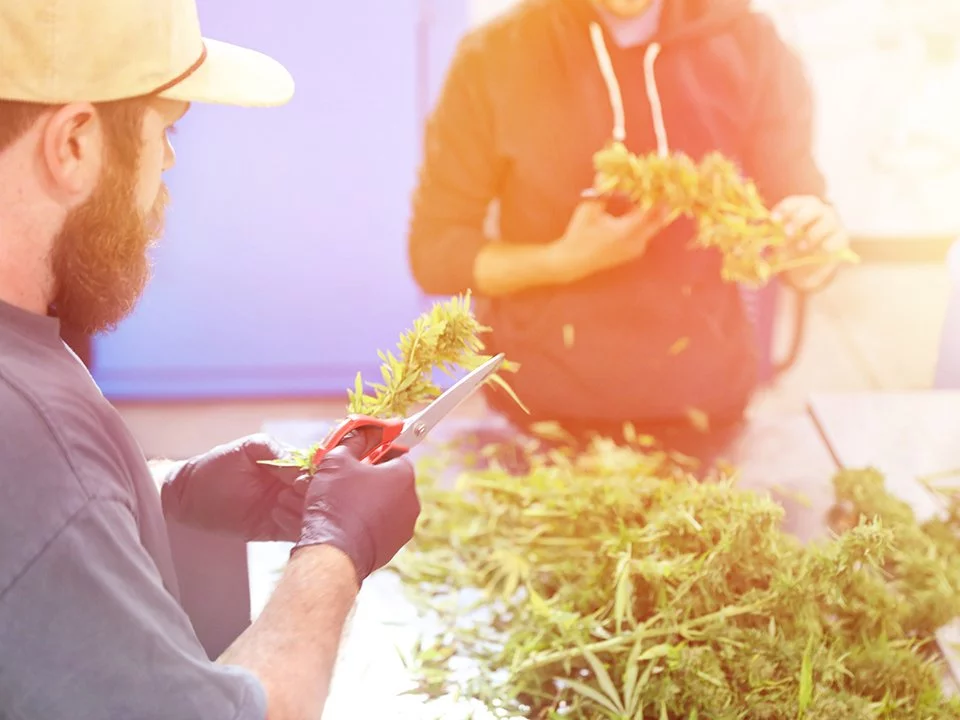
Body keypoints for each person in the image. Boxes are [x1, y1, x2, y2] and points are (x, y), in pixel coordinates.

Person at [0, 1, 421, 718]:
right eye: (164, 129)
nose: (167, 164)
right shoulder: (32, 429)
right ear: (72, 143)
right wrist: (336, 547)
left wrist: (162, 499)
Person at [408, 0, 850, 455]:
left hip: (703, 401)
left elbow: (795, 203)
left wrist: (812, 246)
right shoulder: (493, 56)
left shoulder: (748, 43)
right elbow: (436, 253)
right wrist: (562, 261)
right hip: (540, 405)